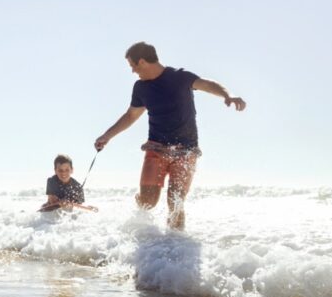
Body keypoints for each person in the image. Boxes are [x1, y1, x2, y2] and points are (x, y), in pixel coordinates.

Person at [94, 41, 246, 230]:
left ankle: (175, 248)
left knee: (176, 203)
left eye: (132, 65)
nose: (133, 71)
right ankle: (141, 217)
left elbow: (207, 84)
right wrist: (107, 136)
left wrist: (227, 95)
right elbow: (131, 115)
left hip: (187, 151)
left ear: (142, 61)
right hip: (156, 149)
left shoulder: (180, 77)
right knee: (148, 202)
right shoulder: (141, 88)